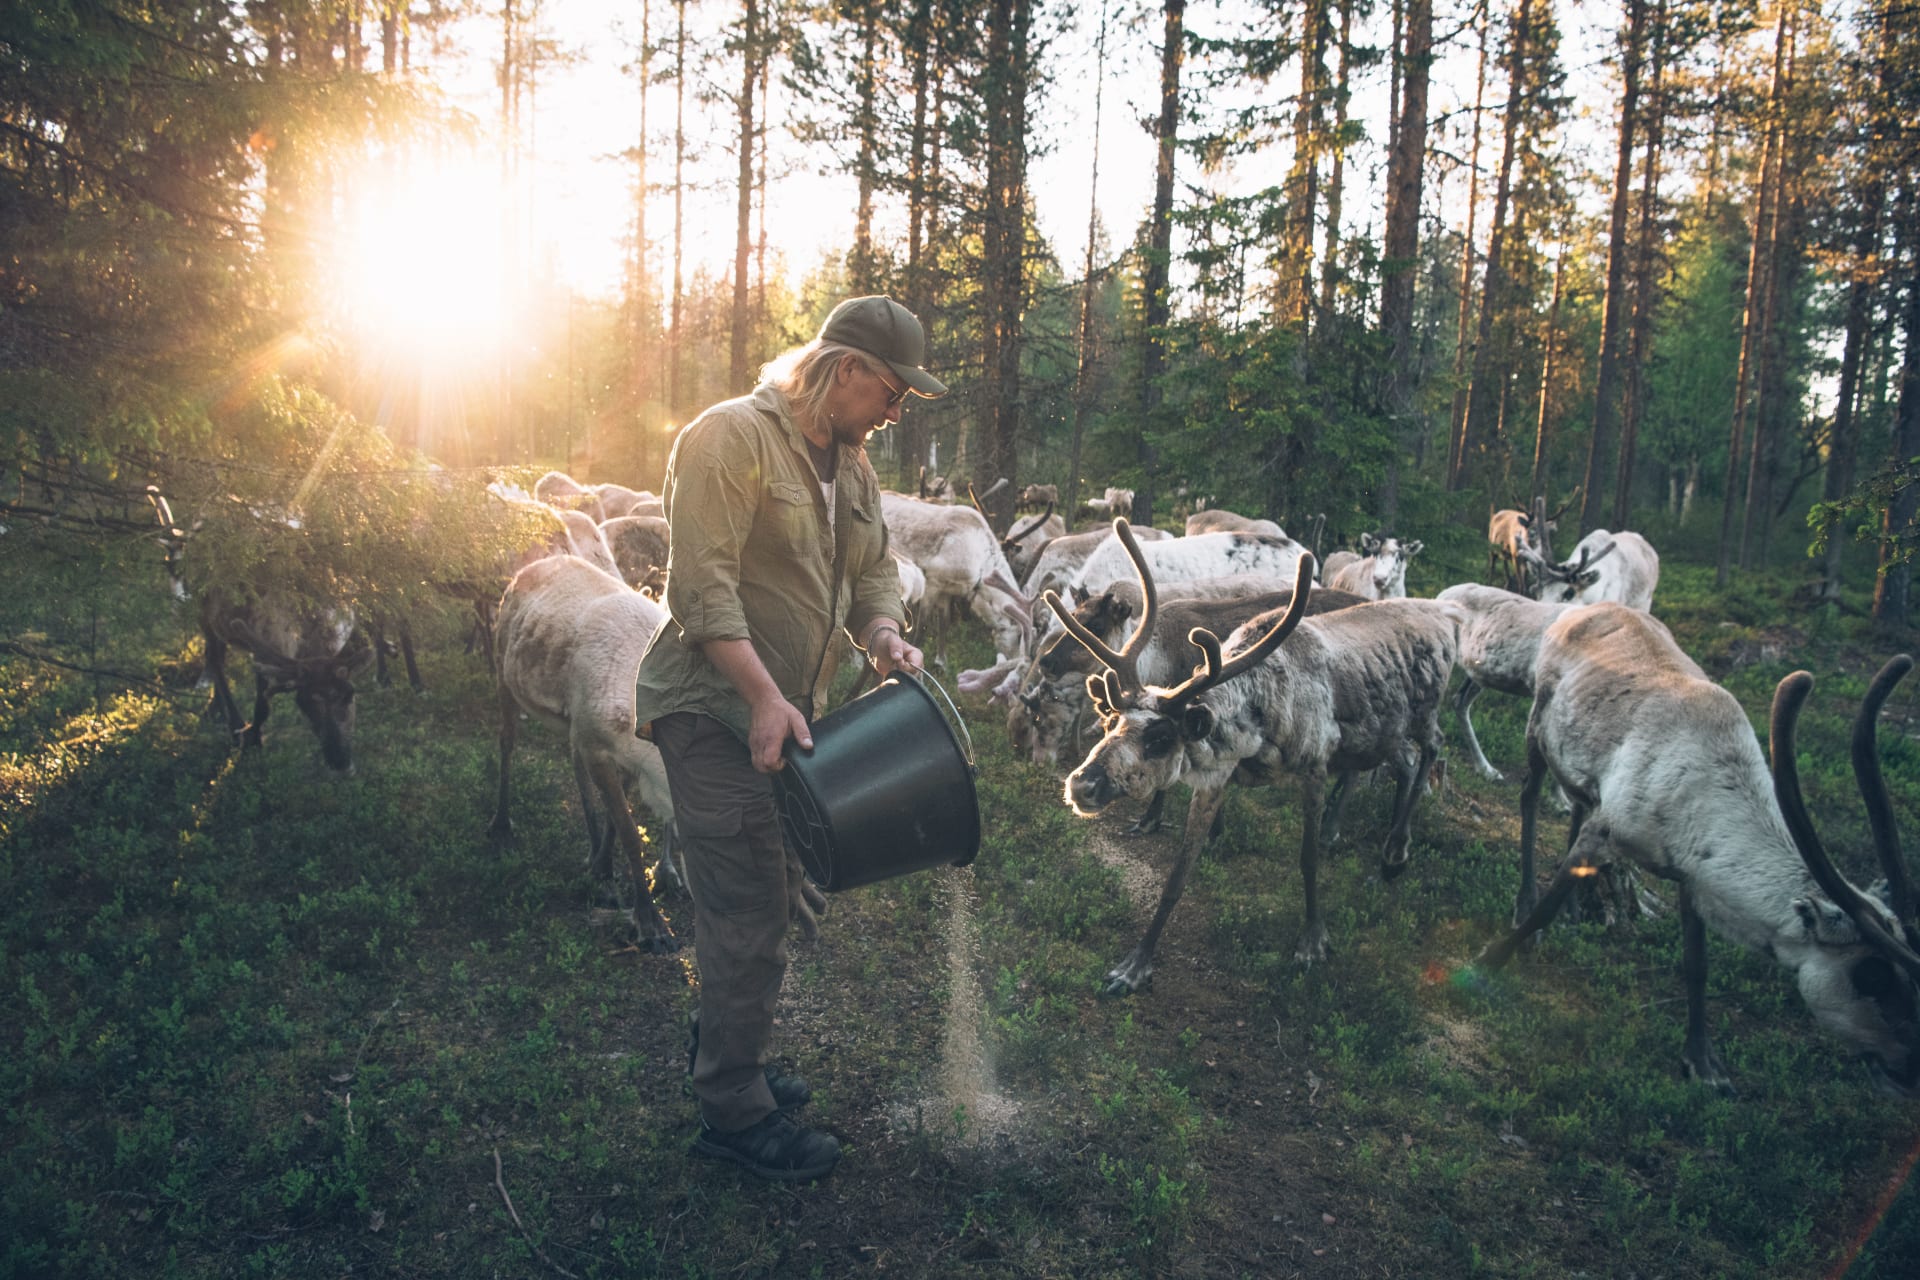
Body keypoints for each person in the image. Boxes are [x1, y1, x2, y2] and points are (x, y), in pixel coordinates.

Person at [633, 295, 945, 1181]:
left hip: (786, 713)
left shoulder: (850, 464)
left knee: (778, 884)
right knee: (748, 901)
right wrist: (765, 697)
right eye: (891, 393)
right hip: (712, 709)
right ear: (844, 370)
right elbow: (701, 592)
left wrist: (883, 634)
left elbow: (874, 572)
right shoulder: (728, 439)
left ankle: (727, 1047)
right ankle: (732, 1116)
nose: (895, 413)